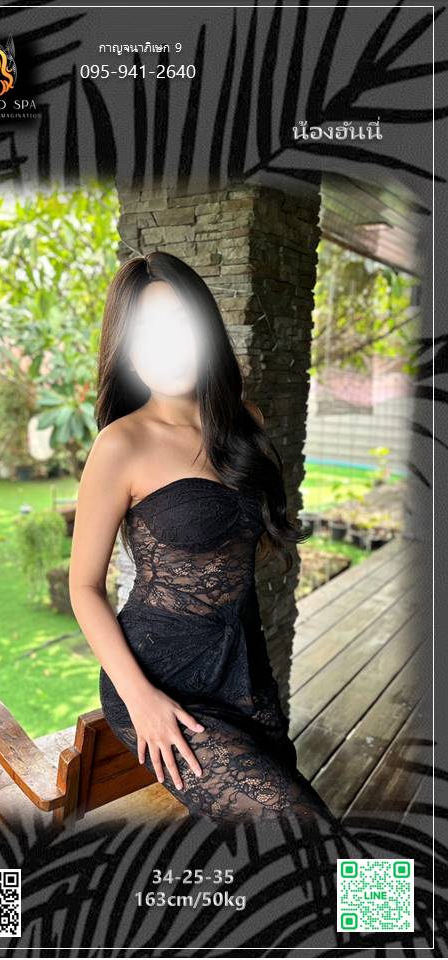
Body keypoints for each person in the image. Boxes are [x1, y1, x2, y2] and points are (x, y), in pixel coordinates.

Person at [69, 251, 336, 829]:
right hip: (160, 682)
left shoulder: (245, 422)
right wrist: (140, 698)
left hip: (243, 671)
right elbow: (84, 588)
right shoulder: (121, 444)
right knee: (305, 828)